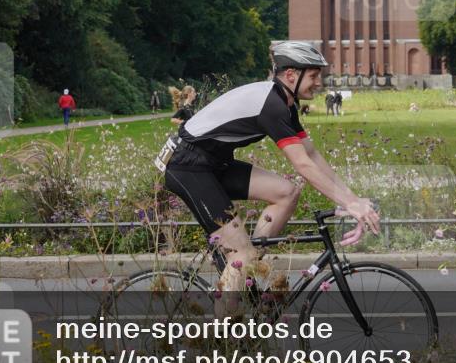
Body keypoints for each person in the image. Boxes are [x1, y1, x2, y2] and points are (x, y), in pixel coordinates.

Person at [162, 41, 380, 299]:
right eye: (313, 75)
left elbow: (311, 154)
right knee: (240, 254)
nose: (319, 82)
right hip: (189, 168)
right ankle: (220, 336)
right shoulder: (272, 105)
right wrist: (350, 204)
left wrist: (352, 199)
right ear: (291, 75)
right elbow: (302, 164)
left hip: (214, 164)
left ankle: (247, 273)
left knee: (286, 192)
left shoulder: (283, 102)